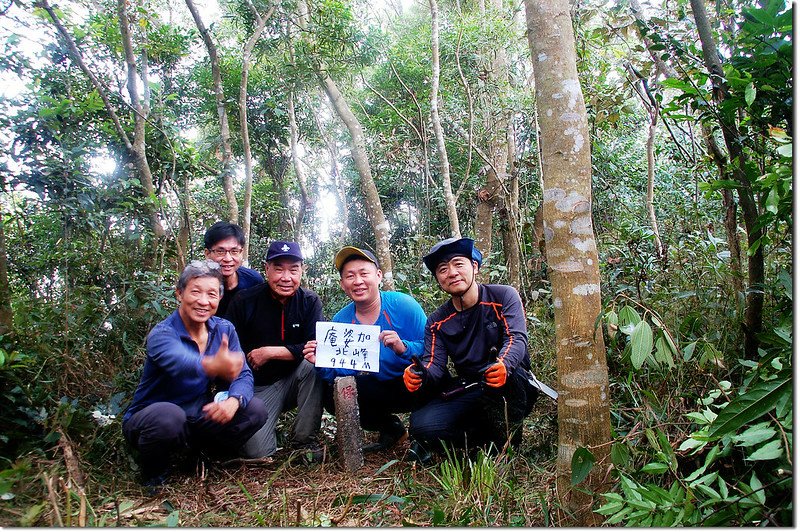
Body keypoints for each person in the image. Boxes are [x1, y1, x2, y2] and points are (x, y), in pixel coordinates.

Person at [122, 260, 267, 486]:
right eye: (195, 292)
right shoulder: (163, 334)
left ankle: (202, 457)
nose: (203, 301)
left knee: (255, 410)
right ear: (179, 293)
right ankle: (154, 475)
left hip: (196, 416)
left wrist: (234, 400)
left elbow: (243, 375)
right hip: (153, 418)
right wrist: (213, 365)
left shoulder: (223, 329)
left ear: (219, 298)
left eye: (211, 294)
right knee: (169, 417)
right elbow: (180, 362)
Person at [403, 237, 539, 463]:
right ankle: (480, 441)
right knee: (422, 426)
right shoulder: (437, 321)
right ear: (438, 279)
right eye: (443, 269)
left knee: (506, 382)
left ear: (474, 266)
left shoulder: (503, 296)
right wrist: (419, 374)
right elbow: (434, 365)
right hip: (470, 388)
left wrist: (504, 364)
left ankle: (505, 450)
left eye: (459, 264)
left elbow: (516, 337)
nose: (452, 273)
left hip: (512, 382)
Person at [302, 246, 427, 452]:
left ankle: (424, 431)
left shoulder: (403, 305)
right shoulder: (342, 321)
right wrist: (321, 362)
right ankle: (391, 428)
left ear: (378, 276)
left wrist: (403, 347)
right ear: (343, 284)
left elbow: (431, 348)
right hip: (378, 385)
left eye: (364, 273)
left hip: (412, 382)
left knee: (429, 389)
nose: (358, 281)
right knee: (331, 394)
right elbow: (341, 370)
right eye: (350, 276)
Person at [226, 240, 324, 460]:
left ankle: (304, 441)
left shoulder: (309, 301)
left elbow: (314, 346)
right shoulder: (245, 301)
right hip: (258, 387)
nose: (286, 277)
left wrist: (269, 352)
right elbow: (230, 351)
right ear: (266, 269)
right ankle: (264, 427)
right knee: (257, 453)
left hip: (294, 380)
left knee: (313, 363)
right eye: (278, 269)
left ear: (302, 271)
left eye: (293, 270)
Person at [203, 221, 264, 317]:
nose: (228, 259)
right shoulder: (198, 283)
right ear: (207, 254)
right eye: (220, 251)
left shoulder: (253, 281)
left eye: (234, 251)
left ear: (241, 252)